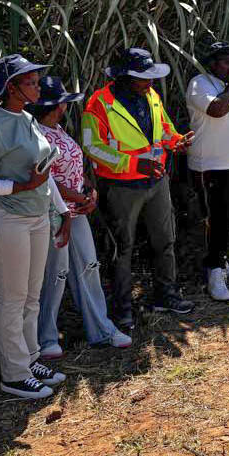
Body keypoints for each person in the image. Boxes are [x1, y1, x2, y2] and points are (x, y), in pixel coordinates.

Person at [0, 54, 73, 399]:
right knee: (12, 299)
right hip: (7, 219)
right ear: (11, 87)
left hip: (36, 217)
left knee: (30, 296)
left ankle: (29, 359)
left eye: (37, 81)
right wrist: (19, 187)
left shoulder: (26, 118)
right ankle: (13, 374)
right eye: (31, 82)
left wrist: (60, 210)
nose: (37, 86)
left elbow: (43, 172)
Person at [82, 48, 195, 331]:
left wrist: (177, 141)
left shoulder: (151, 96)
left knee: (164, 239)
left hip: (156, 181)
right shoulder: (99, 103)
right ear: (123, 77)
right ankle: (122, 310)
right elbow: (93, 147)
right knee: (122, 248)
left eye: (150, 77)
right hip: (121, 187)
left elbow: (165, 129)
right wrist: (132, 164)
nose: (150, 82)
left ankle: (165, 296)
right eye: (142, 78)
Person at [33, 76, 132, 359]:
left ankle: (101, 328)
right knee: (55, 274)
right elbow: (43, 178)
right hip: (54, 214)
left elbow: (76, 167)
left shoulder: (58, 129)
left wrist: (89, 190)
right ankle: (46, 337)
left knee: (88, 266)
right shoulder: (36, 135)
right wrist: (78, 197)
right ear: (57, 106)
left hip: (76, 212)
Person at [186, 41, 229, 301]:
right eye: (227, 61)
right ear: (213, 63)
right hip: (212, 166)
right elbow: (216, 110)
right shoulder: (200, 83)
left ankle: (221, 263)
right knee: (214, 219)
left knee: (227, 216)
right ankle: (213, 271)